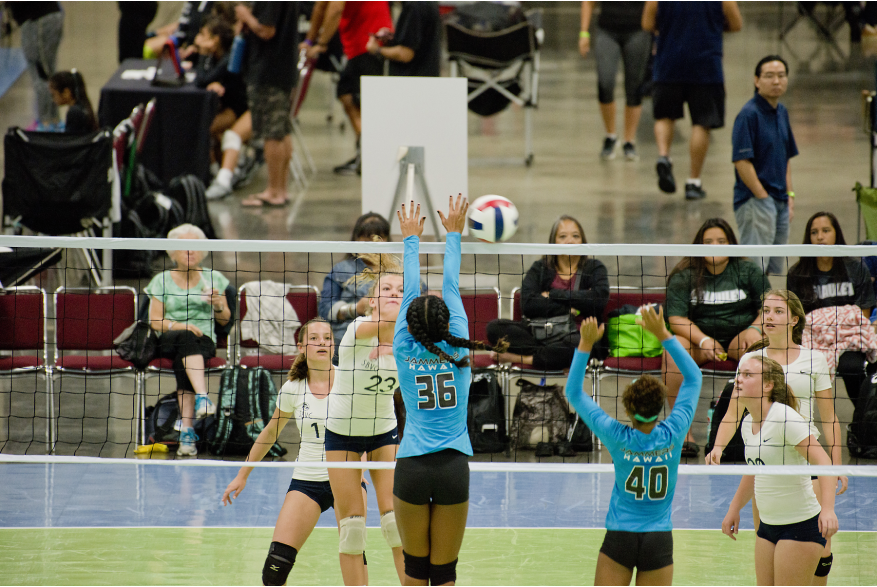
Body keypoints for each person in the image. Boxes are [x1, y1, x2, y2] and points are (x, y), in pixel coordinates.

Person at [393, 195, 509, 587]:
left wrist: (412, 238)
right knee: (444, 575)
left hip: (411, 467)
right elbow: (451, 286)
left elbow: (412, 288)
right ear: (447, 323)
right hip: (452, 469)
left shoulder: (402, 348)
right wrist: (454, 234)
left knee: (414, 572)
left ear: (409, 324)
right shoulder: (460, 347)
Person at [706, 290, 847, 586]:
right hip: (767, 455)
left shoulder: (814, 359)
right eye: (766, 311)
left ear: (794, 319)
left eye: (778, 311)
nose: (769, 317)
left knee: (819, 548)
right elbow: (733, 412)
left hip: (804, 457)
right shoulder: (751, 361)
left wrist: (837, 465)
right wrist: (718, 446)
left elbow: (829, 417)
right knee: (769, 535)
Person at [221, 319, 370, 586]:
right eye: (315, 338)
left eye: (327, 337)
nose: (323, 342)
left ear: (334, 345)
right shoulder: (293, 388)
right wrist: (242, 475)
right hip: (308, 479)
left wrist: (362, 465)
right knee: (275, 568)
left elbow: (371, 428)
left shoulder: (351, 381)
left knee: (352, 550)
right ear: (301, 346)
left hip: (346, 479)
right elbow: (269, 434)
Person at [565, 306, 702, 585]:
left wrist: (585, 344)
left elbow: (574, 392)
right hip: (659, 540)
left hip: (620, 537)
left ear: (628, 410)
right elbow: (694, 378)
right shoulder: (675, 432)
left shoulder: (616, 436)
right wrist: (663, 333)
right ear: (661, 403)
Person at [324, 247, 406, 585]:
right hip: (342, 434)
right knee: (353, 530)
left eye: (401, 291)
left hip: (383, 430)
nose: (393, 295)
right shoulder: (357, 331)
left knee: (396, 525)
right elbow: (379, 325)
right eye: (385, 290)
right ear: (371, 301)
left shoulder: (407, 342)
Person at [721, 355, 839, 585]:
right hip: (767, 526)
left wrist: (828, 510)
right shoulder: (748, 424)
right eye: (739, 374)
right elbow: (755, 469)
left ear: (768, 385)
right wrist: (734, 508)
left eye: (747, 375)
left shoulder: (785, 419)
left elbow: (824, 463)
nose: (739, 380)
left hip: (800, 527)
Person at [665, 218, 770, 457]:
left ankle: (758, 430)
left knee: (758, 347)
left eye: (721, 241)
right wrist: (702, 340)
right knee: (673, 352)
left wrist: (754, 328)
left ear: (731, 244)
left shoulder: (747, 271)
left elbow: (769, 306)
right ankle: (683, 434)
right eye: (708, 241)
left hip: (738, 338)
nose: (714, 246)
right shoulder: (685, 276)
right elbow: (676, 319)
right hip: (699, 342)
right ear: (699, 246)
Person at [642, 1, 742, 200]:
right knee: (702, 122)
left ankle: (664, 156)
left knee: (664, 116)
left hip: (668, 62)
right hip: (706, 66)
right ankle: (693, 181)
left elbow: (646, 23)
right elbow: (736, 23)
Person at [145, 224, 229, 457]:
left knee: (186, 357)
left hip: (204, 342)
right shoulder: (161, 280)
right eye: (184, 248)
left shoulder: (214, 278)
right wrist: (182, 325)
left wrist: (218, 305)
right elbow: (155, 321)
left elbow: (225, 320)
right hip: (168, 338)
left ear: (203, 251)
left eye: (195, 248)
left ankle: (187, 436)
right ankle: (202, 399)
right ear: (173, 253)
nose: (190, 252)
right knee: (185, 337)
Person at [487, 215, 610, 370]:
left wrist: (553, 294)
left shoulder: (594, 268)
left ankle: (523, 358)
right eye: (563, 236)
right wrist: (572, 308)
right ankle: (555, 358)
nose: (570, 241)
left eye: (575, 236)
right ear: (553, 243)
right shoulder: (541, 268)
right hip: (540, 332)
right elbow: (528, 304)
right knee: (494, 328)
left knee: (578, 345)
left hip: (577, 336)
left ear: (583, 242)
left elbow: (598, 300)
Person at [787, 211, 877, 405]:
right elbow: (796, 318)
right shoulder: (797, 274)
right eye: (814, 232)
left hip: (849, 338)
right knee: (797, 374)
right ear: (808, 238)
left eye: (826, 231)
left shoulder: (856, 268)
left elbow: (863, 315)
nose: (820, 236)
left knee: (852, 368)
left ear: (836, 233)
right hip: (811, 341)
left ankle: (861, 421)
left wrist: (836, 332)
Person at [303, 1, 393, 175]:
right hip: (361, 42)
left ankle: (370, 154)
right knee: (347, 94)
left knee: (357, 98)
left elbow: (335, 8)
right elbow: (320, 8)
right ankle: (366, 151)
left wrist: (321, 43)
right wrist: (309, 40)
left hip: (369, 41)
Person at [732, 55, 798, 276]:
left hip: (779, 201)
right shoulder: (748, 115)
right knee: (754, 268)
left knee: (772, 270)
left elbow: (785, 158)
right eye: (769, 76)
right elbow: (742, 161)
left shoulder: (782, 112)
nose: (776, 81)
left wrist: (789, 196)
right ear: (756, 80)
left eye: (781, 75)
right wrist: (762, 197)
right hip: (755, 202)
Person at [235, 1, 299, 207]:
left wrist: (245, 16)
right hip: (281, 69)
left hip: (268, 70)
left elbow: (266, 30)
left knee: (272, 133)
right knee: (282, 130)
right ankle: (281, 189)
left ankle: (274, 190)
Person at [190, 17, 252, 201]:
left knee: (207, 128)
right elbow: (205, 77)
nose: (198, 39)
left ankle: (220, 175)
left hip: (241, 110)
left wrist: (202, 53)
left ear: (215, 40)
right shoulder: (218, 57)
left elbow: (202, 79)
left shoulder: (229, 58)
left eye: (203, 35)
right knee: (209, 127)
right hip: (232, 107)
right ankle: (218, 170)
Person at [579, 1, 651, 161]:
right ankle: (610, 135)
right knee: (605, 82)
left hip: (638, 30)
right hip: (607, 30)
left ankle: (629, 141)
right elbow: (588, 3)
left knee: (634, 86)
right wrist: (584, 33)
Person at [320, 213, 393, 348]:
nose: (372, 243)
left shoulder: (399, 270)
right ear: (356, 239)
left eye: (378, 237)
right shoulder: (341, 269)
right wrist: (354, 309)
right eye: (367, 238)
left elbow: (420, 297)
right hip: (348, 340)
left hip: (391, 340)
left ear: (387, 239)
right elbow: (324, 309)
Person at [7, 1, 64, 130]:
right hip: (43, 18)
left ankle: (46, 123)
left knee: (42, 73)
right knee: (46, 71)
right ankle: (52, 120)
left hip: (38, 21)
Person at [365, 1, 441, 78]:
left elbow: (406, 53)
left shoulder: (413, 7)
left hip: (412, 81)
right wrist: (394, 38)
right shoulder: (427, 3)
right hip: (427, 76)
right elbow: (419, 38)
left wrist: (377, 50)